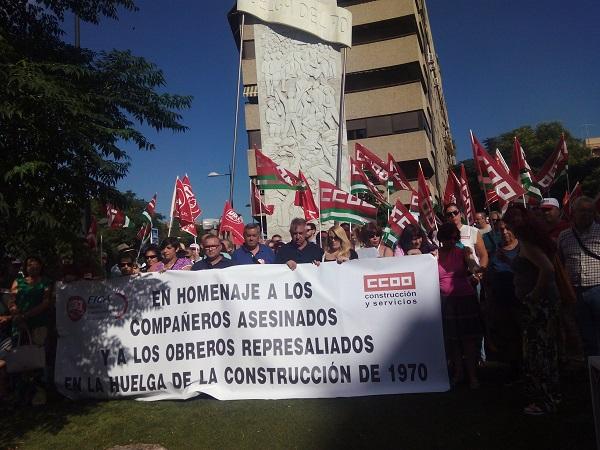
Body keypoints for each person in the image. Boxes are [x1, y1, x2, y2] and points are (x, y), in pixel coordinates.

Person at [504, 205, 560, 415]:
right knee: (546, 351)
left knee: (539, 353)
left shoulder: (528, 243)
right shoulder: (537, 240)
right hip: (544, 304)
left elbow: (548, 269)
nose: (508, 227)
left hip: (538, 306)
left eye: (510, 223)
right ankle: (552, 396)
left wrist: (534, 295)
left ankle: (544, 401)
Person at [437, 223, 483, 389]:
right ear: (441, 239)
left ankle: (472, 376)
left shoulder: (464, 251)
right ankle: (458, 373)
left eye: (453, 238)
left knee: (468, 340)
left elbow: (472, 265)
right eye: (447, 238)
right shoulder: (434, 255)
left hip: (465, 299)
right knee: (452, 340)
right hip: (446, 301)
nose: (451, 241)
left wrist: (478, 268)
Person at [558, 196, 600, 357]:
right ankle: (594, 375)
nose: (586, 215)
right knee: (586, 336)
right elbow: (560, 263)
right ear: (573, 213)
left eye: (590, 211)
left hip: (598, 288)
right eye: (582, 211)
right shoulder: (564, 236)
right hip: (576, 293)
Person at [8, 256, 53, 405]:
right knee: (21, 359)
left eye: (35, 265)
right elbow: (11, 301)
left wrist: (26, 316)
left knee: (38, 359)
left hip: (39, 325)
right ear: (25, 268)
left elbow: (46, 302)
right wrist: (17, 315)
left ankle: (40, 394)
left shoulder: (45, 282)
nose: (32, 268)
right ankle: (21, 394)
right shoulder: (18, 282)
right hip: (19, 326)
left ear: (40, 266)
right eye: (29, 265)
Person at [485, 220, 522, 382]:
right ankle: (514, 369)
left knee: (523, 335)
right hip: (501, 301)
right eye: (501, 230)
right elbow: (490, 276)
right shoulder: (496, 251)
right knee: (508, 336)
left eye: (508, 228)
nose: (505, 232)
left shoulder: (524, 248)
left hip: (521, 300)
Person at [444, 203, 489, 269]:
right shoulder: (444, 234)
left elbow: (483, 255)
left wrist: (480, 272)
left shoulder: (473, 231)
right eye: (449, 214)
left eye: (455, 212)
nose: (453, 215)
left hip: (472, 274)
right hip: (454, 275)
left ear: (460, 214)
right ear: (446, 217)